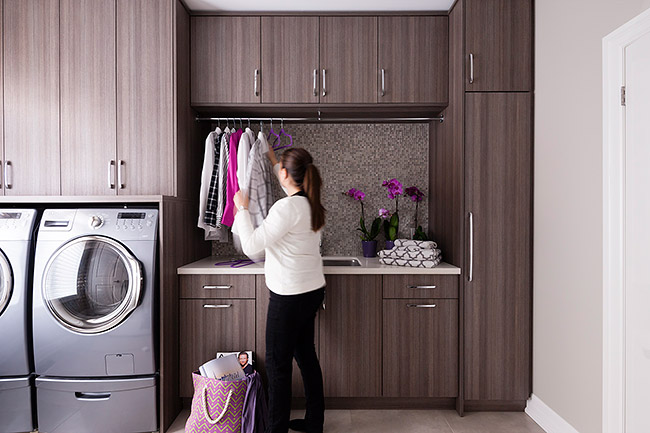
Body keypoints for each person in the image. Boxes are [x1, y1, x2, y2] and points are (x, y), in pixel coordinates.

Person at [233, 147, 326, 433]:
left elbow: (251, 245)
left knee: (277, 366)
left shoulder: (285, 208)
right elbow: (288, 180)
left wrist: (242, 208)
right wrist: (275, 160)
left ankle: (276, 430)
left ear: (287, 175)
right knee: (306, 356)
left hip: (288, 298)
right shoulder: (310, 203)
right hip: (311, 292)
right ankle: (314, 423)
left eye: (280, 170)